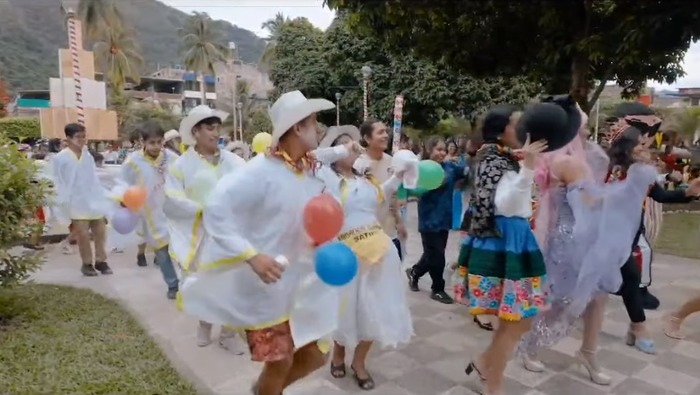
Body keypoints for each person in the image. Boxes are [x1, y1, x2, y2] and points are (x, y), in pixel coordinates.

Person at [181, 91, 355, 395]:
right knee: (279, 362)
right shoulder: (259, 172)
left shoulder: (308, 168)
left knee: (317, 355)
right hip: (266, 288)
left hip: (302, 284)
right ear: (298, 128)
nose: (320, 129)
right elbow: (216, 208)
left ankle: (262, 391)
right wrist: (251, 255)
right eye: (314, 122)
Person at [517, 96, 658, 383]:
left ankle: (588, 352)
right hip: (571, 240)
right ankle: (529, 345)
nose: (585, 133)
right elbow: (592, 204)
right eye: (581, 127)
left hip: (578, 236)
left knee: (597, 296)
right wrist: (634, 180)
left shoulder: (574, 159)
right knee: (561, 298)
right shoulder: (570, 163)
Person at [462, 102, 577, 395]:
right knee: (514, 321)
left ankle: (484, 364)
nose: (525, 128)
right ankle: (493, 386)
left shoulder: (510, 158)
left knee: (518, 320)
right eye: (518, 123)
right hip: (503, 243)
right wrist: (528, 168)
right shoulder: (493, 158)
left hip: (516, 241)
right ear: (501, 132)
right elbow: (505, 205)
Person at [318, 126, 413, 391]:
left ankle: (359, 362)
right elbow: (311, 157)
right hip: (346, 256)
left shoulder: (365, 180)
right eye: (346, 146)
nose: (354, 148)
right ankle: (338, 354)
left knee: (374, 310)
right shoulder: (326, 177)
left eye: (354, 144)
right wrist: (340, 149)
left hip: (379, 252)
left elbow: (381, 195)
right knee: (346, 309)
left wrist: (400, 174)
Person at [604, 119, 700, 354]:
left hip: (625, 239)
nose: (644, 147)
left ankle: (638, 326)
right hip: (599, 235)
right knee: (596, 285)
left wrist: (687, 192)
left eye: (644, 143)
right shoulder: (606, 169)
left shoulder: (643, 172)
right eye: (639, 144)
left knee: (631, 279)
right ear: (625, 145)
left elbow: (660, 195)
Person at [164, 105, 247, 352]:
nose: (215, 133)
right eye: (210, 128)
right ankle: (205, 324)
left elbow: (250, 187)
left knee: (232, 284)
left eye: (217, 127)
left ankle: (229, 334)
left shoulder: (234, 161)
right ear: (196, 132)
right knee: (205, 283)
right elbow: (172, 198)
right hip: (200, 236)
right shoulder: (181, 165)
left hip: (230, 234)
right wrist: (201, 209)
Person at [121, 121, 180, 299]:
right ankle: (173, 285)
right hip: (151, 213)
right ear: (142, 142)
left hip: (174, 211)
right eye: (152, 143)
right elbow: (125, 185)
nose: (156, 146)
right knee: (161, 252)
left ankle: (188, 282)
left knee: (181, 249)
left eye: (159, 142)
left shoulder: (172, 158)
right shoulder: (132, 163)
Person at [405, 136, 466, 304]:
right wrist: (432, 184)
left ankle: (415, 272)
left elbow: (465, 170)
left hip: (444, 219)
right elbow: (413, 190)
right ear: (429, 150)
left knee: (432, 254)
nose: (442, 153)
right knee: (438, 256)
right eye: (438, 149)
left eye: (443, 150)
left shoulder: (449, 168)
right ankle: (437, 288)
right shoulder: (421, 169)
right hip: (428, 220)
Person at [51, 123, 112, 276]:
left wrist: (102, 201)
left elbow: (94, 180)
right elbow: (58, 182)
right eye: (78, 137)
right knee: (83, 236)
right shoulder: (60, 158)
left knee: (100, 232)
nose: (82, 140)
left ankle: (101, 261)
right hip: (75, 203)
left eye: (84, 136)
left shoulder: (88, 156)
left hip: (93, 201)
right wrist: (62, 206)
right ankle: (87, 264)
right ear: (69, 138)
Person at [357, 119, 407, 261]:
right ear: (367, 138)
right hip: (367, 234)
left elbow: (393, 195)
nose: (386, 135)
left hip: (389, 232)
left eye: (386, 131)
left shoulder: (392, 161)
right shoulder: (359, 165)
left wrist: (399, 222)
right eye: (380, 132)